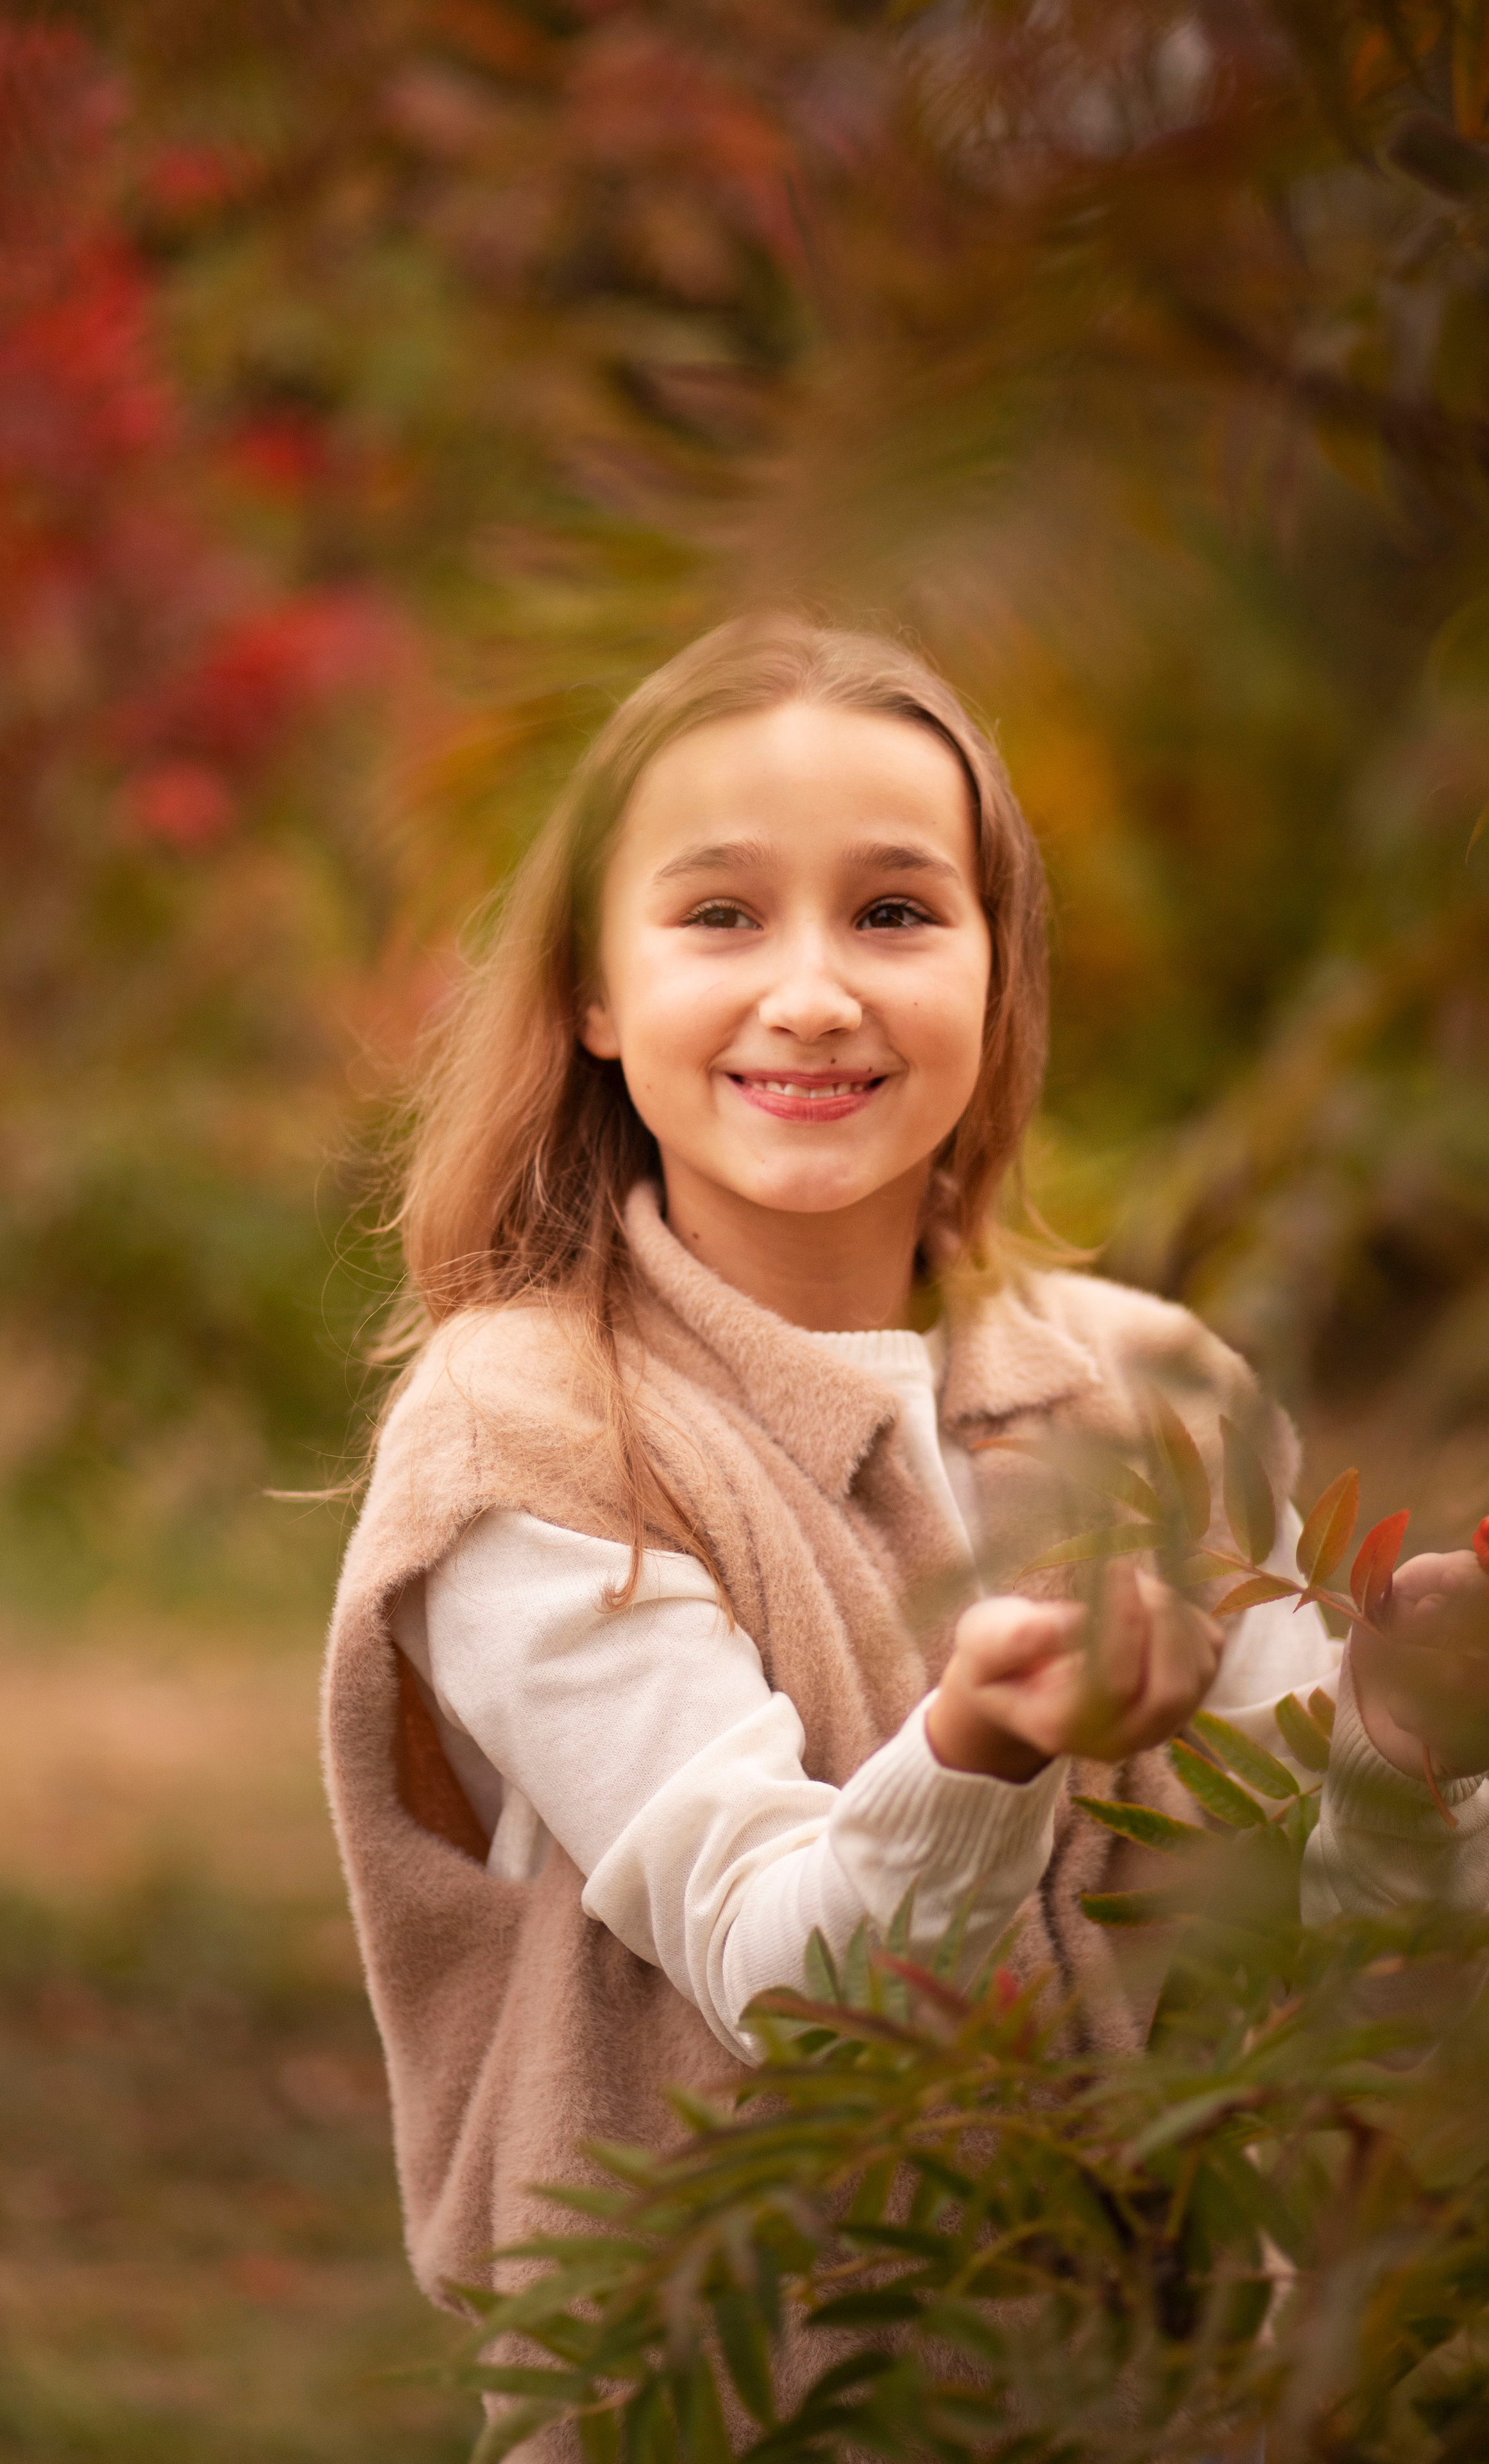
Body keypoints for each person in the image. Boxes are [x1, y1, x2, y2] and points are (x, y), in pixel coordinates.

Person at [322, 614, 1489, 2333]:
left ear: (996, 969)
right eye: (720, 913)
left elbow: (1323, 1971)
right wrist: (979, 1747)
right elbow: (783, 1977)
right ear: (592, 987)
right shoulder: (530, 1426)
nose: (813, 992)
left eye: (895, 911)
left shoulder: (1157, 1386)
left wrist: (1399, 1748)